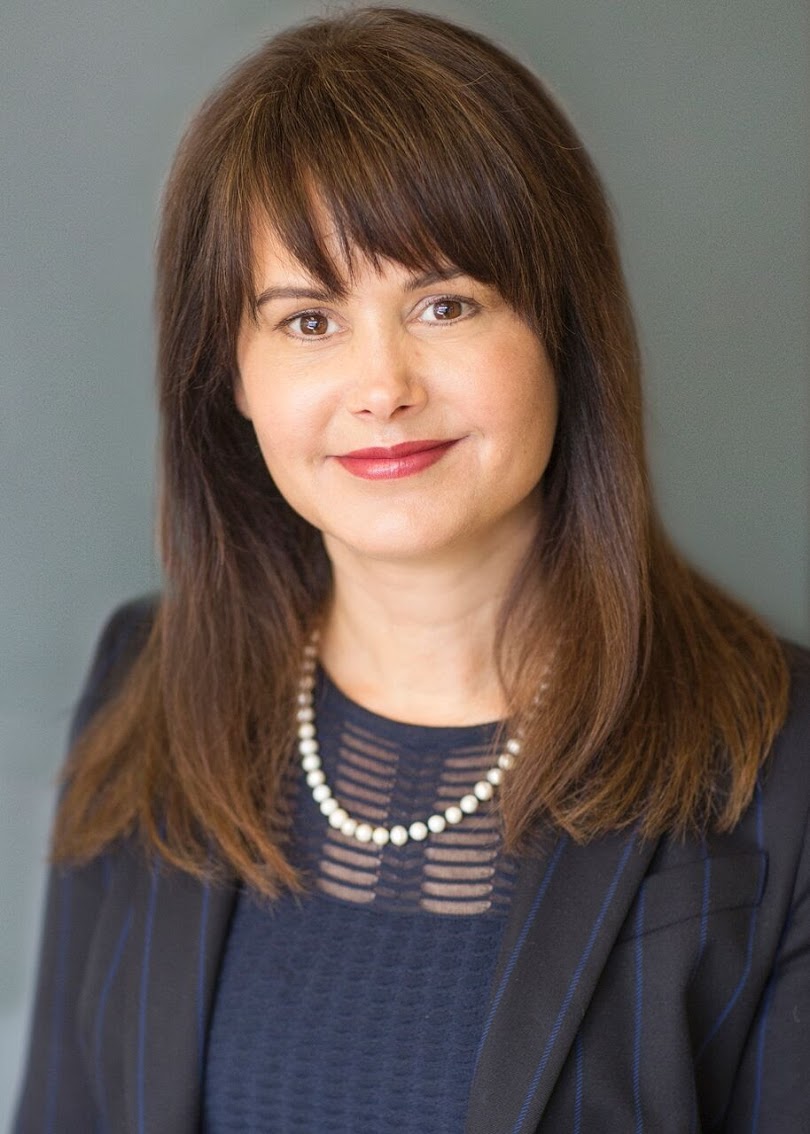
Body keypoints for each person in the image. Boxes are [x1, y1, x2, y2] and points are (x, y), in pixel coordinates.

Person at [13, 7, 809, 1132]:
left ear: (562, 337)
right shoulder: (143, 684)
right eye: (306, 321)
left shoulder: (783, 764)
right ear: (229, 376)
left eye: (446, 304)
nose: (381, 385)